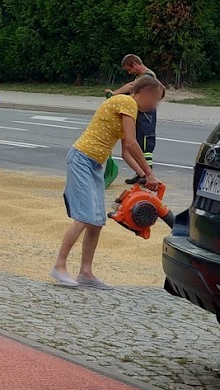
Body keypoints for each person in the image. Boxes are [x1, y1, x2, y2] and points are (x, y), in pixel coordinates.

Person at [51, 74, 165, 288]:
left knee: (96, 220)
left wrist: (143, 175)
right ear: (145, 92)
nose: (154, 106)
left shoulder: (126, 107)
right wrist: (149, 173)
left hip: (94, 164)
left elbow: (125, 152)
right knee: (84, 217)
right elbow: (132, 143)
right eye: (154, 100)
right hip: (82, 159)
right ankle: (59, 266)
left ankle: (85, 272)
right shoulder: (127, 102)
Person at [106, 54, 158, 185]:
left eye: (129, 69)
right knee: (139, 142)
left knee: (145, 144)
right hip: (140, 114)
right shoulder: (141, 77)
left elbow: (131, 86)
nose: (129, 72)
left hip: (146, 115)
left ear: (135, 64)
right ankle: (141, 173)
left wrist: (114, 94)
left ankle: (147, 174)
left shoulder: (147, 76)